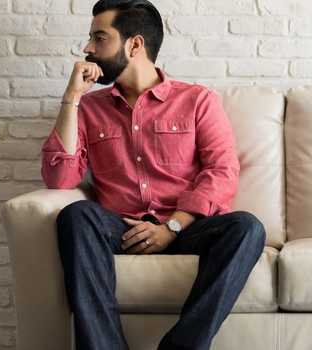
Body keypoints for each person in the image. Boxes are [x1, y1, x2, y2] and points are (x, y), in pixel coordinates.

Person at [40, 0, 266, 349]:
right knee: (76, 214)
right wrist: (71, 96)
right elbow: (60, 180)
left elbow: (222, 171)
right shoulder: (89, 108)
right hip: (121, 230)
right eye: (90, 39)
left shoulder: (197, 100)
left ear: (134, 45)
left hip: (185, 228)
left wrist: (170, 228)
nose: (86, 49)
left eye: (99, 38)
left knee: (247, 227)